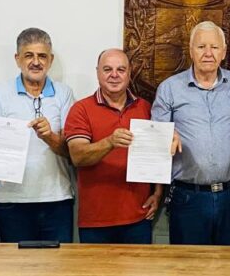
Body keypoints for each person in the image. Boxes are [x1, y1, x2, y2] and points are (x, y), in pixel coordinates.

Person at [151, 21, 230, 245]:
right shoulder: (169, 88)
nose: (208, 53)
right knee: (188, 263)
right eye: (201, 47)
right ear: (191, 51)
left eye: (214, 47)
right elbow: (155, 136)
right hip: (188, 197)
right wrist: (166, 136)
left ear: (223, 52)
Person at [64, 48, 165, 244]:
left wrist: (158, 192)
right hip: (95, 221)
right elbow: (77, 156)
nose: (114, 75)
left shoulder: (145, 107)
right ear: (97, 73)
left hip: (139, 217)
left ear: (129, 73)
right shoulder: (81, 109)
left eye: (121, 69)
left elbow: (157, 153)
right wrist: (109, 142)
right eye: (107, 69)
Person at [0, 27, 76, 243]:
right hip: (11, 200)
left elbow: (71, 151)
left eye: (42, 56)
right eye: (29, 55)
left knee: (59, 262)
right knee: (16, 264)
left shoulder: (64, 93)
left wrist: (49, 136)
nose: (36, 62)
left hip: (57, 199)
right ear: (17, 59)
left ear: (50, 60)